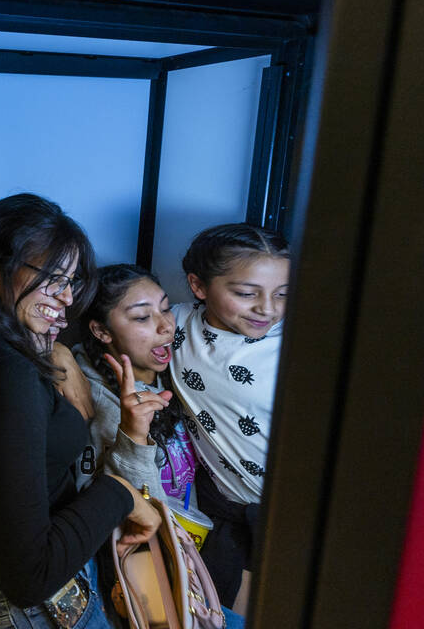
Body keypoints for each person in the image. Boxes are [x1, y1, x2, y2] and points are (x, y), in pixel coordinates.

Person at [0, 193, 163, 629]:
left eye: (72, 280)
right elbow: (27, 575)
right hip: (35, 606)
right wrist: (120, 493)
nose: (64, 297)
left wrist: (53, 351)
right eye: (48, 277)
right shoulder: (10, 373)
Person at [169, 223, 290, 611]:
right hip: (222, 508)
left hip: (290, 515)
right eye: (245, 293)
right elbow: (108, 325)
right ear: (199, 286)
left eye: (283, 294)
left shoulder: (299, 343)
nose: (267, 309)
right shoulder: (174, 325)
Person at [70, 264, 212, 532]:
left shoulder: (176, 367)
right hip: (147, 546)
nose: (166, 327)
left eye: (166, 308)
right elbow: (114, 507)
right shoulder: (101, 404)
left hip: (187, 534)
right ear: (101, 331)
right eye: (142, 318)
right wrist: (133, 436)